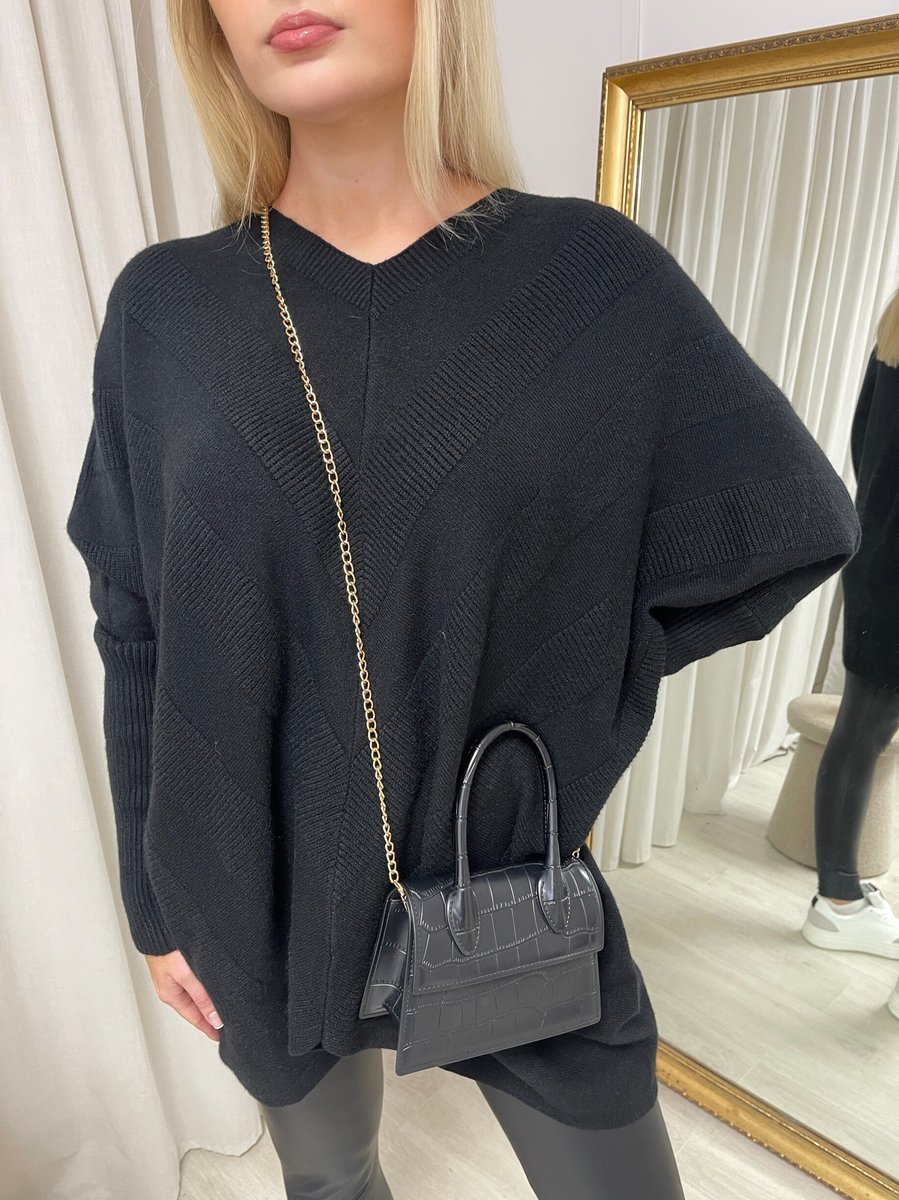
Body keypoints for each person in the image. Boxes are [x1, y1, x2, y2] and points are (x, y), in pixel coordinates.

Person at [65, 2, 862, 1196]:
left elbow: (785, 522)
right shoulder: (166, 311)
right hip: (250, 881)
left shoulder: (589, 279)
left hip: (504, 881)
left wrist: (563, 691)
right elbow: (136, 623)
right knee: (330, 1182)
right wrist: (152, 897)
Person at [800, 294, 899, 1017]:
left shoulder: (887, 347)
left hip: (877, 560)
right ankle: (836, 900)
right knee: (862, 732)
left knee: (859, 731)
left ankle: (837, 895)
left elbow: (863, 448)